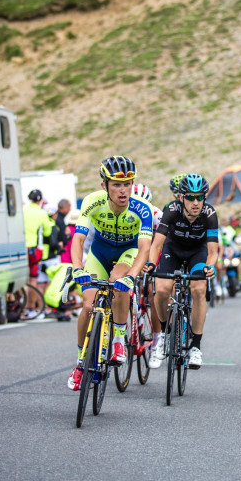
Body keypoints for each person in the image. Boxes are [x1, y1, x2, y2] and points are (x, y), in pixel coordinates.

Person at [68, 156, 153, 390]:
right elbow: (78, 238)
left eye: (127, 183)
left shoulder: (141, 208)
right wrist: (77, 266)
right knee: (87, 306)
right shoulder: (92, 202)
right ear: (104, 185)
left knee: (119, 280)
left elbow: (144, 248)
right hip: (100, 252)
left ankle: (117, 339)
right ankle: (79, 362)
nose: (123, 190)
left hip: (129, 252)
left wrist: (132, 275)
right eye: (116, 184)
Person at [145, 173, 218, 370]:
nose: (196, 202)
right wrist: (152, 263)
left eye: (200, 197)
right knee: (161, 290)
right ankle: (164, 335)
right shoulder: (171, 210)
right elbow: (157, 244)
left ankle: (195, 346)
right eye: (190, 197)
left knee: (199, 289)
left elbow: (212, 251)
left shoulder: (209, 214)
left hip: (197, 252)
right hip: (173, 250)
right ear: (181, 197)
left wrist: (210, 266)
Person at [23, 189, 53, 318]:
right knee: (33, 280)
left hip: (21, 248)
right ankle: (30, 308)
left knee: (23, 280)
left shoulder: (23, 210)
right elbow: (47, 232)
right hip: (34, 249)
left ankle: (22, 308)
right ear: (40, 200)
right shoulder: (41, 213)